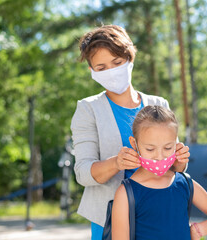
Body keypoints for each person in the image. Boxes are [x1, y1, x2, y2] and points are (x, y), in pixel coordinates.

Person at [70, 25, 190, 240]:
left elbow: (173, 167)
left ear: (130, 58)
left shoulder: (158, 103)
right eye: (101, 67)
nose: (111, 72)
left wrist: (180, 160)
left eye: (117, 63)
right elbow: (83, 173)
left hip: (158, 214)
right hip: (107, 219)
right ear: (92, 71)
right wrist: (116, 163)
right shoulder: (88, 109)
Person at [112, 105, 207, 240]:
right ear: (134, 144)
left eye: (168, 148)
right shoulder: (126, 193)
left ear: (176, 143)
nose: (159, 156)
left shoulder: (184, 183)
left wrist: (198, 230)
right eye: (150, 149)